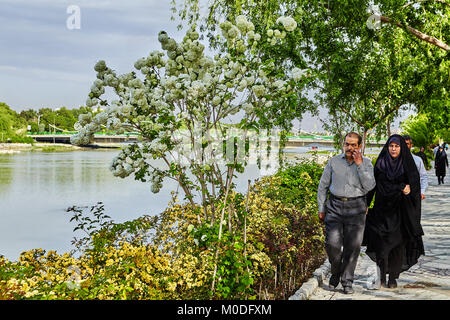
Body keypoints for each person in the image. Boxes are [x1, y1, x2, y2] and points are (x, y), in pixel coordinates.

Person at [317, 132, 376, 294]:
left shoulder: (367, 163)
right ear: (343, 144)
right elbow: (322, 186)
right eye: (347, 144)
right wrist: (321, 208)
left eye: (353, 145)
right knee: (332, 244)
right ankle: (336, 270)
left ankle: (347, 281)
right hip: (335, 206)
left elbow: (370, 186)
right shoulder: (334, 162)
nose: (349, 148)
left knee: (353, 247)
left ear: (359, 146)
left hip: (356, 208)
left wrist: (359, 165)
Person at [364, 135, 425, 289]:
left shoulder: (408, 164)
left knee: (398, 245)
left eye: (396, 146)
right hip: (382, 210)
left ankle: (392, 278)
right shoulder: (381, 163)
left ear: (402, 148)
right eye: (391, 146)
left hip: (401, 211)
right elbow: (374, 185)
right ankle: (381, 277)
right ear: (387, 147)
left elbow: (415, 187)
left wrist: (409, 191)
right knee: (381, 245)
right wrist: (366, 203)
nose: (393, 149)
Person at [403, 135, 428, 200]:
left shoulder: (417, 160)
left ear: (411, 145)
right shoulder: (395, 161)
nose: (404, 146)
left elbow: (423, 176)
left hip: (414, 195)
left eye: (407, 144)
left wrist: (422, 192)